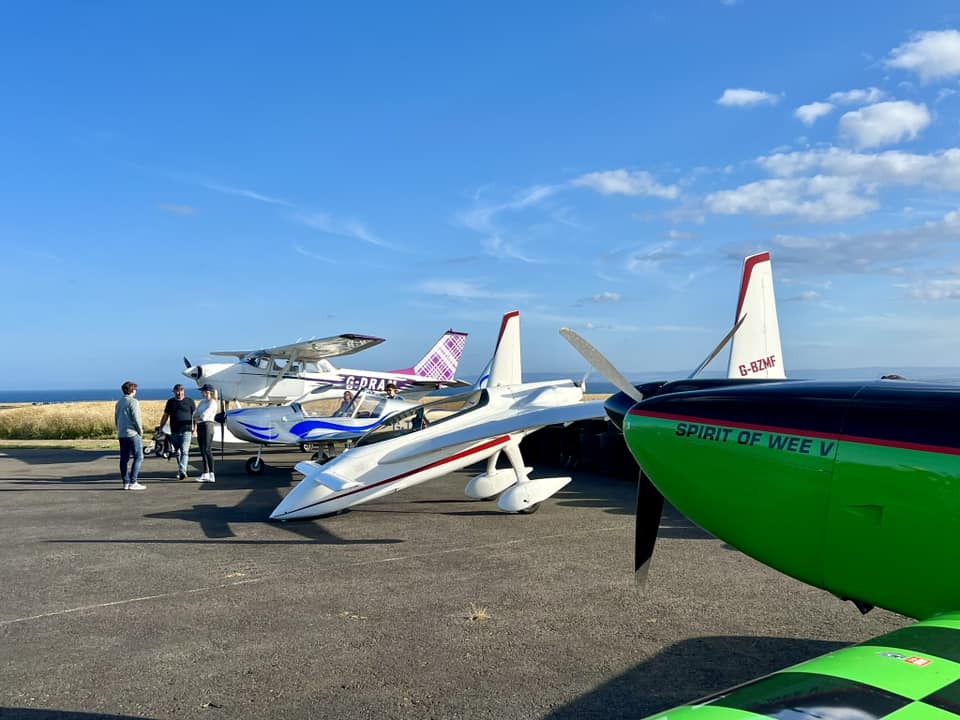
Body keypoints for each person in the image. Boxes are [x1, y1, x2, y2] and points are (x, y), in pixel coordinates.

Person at [159, 383, 196, 480]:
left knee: (184, 451)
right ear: (174, 392)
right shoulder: (170, 402)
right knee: (178, 451)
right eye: (177, 391)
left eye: (181, 390)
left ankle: (182, 471)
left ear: (183, 391)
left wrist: (195, 429)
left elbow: (195, 416)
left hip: (187, 430)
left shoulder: (190, 401)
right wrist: (161, 427)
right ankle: (181, 470)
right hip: (174, 430)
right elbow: (166, 415)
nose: (179, 393)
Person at [114, 381, 146, 490]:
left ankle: (126, 482)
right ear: (132, 390)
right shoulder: (133, 402)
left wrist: (119, 429)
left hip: (122, 434)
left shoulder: (119, 402)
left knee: (124, 458)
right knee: (139, 456)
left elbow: (116, 418)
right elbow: (136, 419)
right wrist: (140, 431)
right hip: (132, 433)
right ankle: (133, 481)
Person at [193, 384, 218, 483]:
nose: (201, 393)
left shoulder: (213, 403)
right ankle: (205, 473)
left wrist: (197, 416)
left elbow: (204, 415)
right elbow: (194, 414)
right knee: (202, 450)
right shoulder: (202, 402)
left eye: (203, 391)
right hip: (200, 426)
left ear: (208, 392)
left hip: (208, 426)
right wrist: (197, 416)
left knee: (207, 449)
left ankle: (211, 474)